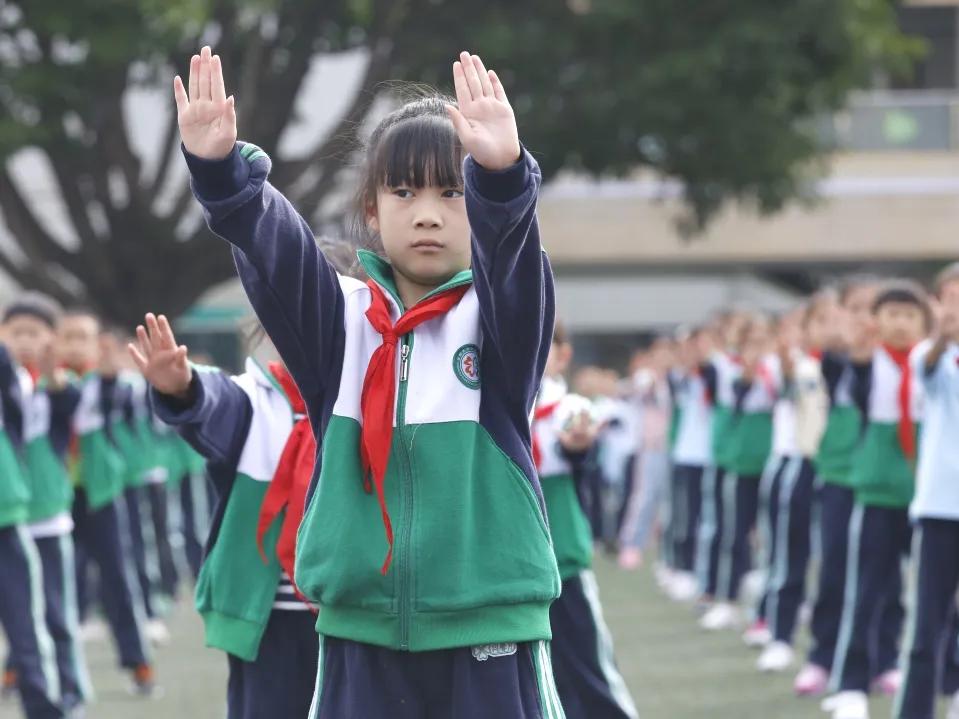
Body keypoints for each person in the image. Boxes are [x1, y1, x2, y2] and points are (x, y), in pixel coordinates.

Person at [175, 46, 564, 717]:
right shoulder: (341, 319)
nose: (427, 213)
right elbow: (277, 250)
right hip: (360, 634)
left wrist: (501, 179)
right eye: (403, 192)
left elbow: (513, 258)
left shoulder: (500, 319)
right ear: (372, 208)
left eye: (452, 192)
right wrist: (222, 174)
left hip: (490, 626)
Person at [130, 312, 320, 718]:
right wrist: (183, 386)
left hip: (356, 614)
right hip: (269, 616)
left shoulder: (373, 398)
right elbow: (213, 399)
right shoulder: (253, 398)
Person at [825, 281, 929, 719]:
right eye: (891, 315)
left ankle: (944, 676)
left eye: (910, 315)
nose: (901, 324)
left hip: (928, 497)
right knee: (866, 590)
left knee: (936, 597)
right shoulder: (867, 362)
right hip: (878, 494)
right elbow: (850, 387)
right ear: (876, 321)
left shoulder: (933, 361)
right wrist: (858, 357)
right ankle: (852, 684)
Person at [533, 325, 637, 719]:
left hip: (562, 558)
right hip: (507, 566)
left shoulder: (565, 405)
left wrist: (578, 442)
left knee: (588, 671)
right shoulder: (490, 398)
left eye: (543, 344)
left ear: (563, 356)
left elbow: (576, 440)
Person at [894, 263, 959, 719]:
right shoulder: (929, 354)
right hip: (940, 508)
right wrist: (942, 336)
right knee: (927, 624)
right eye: (949, 299)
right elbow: (929, 368)